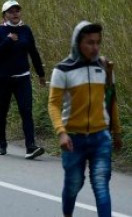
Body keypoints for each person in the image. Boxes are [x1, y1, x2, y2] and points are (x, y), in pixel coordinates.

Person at [49, 22, 122, 217]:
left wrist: (116, 131)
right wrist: (61, 132)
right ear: (77, 43)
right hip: (73, 139)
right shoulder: (63, 70)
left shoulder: (105, 68)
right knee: (74, 184)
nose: (95, 47)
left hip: (100, 137)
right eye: (90, 43)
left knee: (101, 185)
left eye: (98, 42)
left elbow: (111, 100)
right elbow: (53, 104)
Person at [0, 0, 46, 159]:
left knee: (26, 111)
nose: (15, 14)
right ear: (4, 15)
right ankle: (2, 142)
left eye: (17, 11)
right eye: (11, 12)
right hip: (2, 79)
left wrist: (41, 74)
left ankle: (30, 147)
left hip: (22, 78)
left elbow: (33, 52)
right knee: (1, 112)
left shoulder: (26, 30)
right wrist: (7, 41)